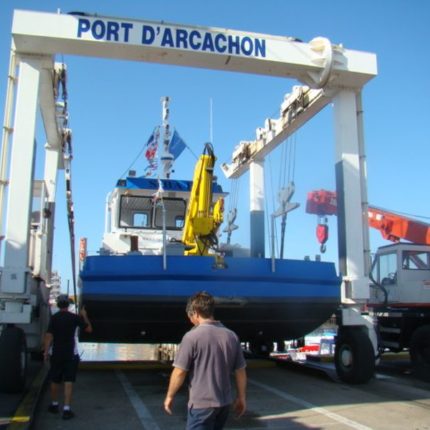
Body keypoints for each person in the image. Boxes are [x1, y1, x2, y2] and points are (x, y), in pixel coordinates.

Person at [164, 291, 247, 429]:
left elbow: (179, 372)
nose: (190, 320)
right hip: (224, 404)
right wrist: (242, 397)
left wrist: (170, 396)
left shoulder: (191, 337)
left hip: (201, 406)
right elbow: (240, 371)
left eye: (190, 316)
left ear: (196, 313)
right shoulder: (231, 336)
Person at [43, 294, 93, 420]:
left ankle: (54, 404)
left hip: (56, 353)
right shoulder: (74, 318)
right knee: (68, 381)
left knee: (55, 380)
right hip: (71, 354)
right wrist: (85, 316)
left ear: (58, 305)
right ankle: (66, 409)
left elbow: (49, 336)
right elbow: (89, 330)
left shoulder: (54, 318)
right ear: (68, 304)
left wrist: (45, 352)